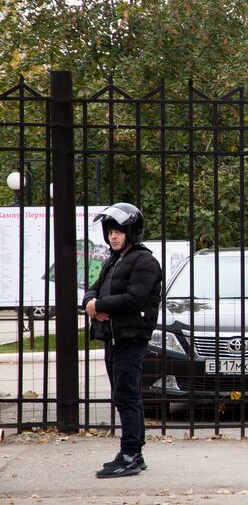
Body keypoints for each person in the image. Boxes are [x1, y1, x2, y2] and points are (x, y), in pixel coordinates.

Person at [82, 203, 162, 478]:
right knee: (123, 395)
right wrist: (90, 303)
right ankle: (133, 453)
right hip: (113, 337)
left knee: (126, 395)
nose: (113, 236)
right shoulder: (113, 260)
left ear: (131, 232)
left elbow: (135, 298)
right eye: (110, 232)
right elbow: (93, 289)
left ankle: (129, 453)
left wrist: (99, 305)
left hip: (131, 337)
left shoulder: (144, 261)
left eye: (118, 231)